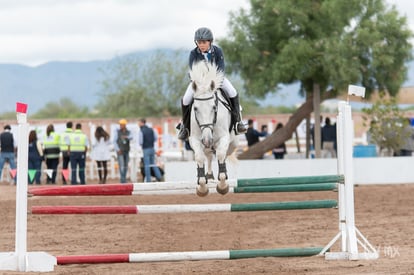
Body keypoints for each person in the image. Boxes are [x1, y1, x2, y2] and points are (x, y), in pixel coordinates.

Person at [177, 27, 247, 140]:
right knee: (185, 99)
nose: (201, 45)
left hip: (217, 80)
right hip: (199, 82)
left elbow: (221, 69)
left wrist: (214, 80)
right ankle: (185, 126)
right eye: (199, 42)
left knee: (232, 92)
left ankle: (238, 122)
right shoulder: (193, 53)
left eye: (204, 42)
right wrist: (199, 80)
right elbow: (192, 69)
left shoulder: (218, 51)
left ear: (210, 41)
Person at [138, 118, 163, 182]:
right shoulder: (151, 129)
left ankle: (148, 180)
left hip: (146, 149)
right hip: (152, 148)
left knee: (147, 165)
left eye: (139, 123)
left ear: (142, 123)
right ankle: (159, 176)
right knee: (153, 164)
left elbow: (140, 141)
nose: (138, 124)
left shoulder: (141, 131)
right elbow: (155, 138)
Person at [114, 119, 133, 183]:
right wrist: (118, 149)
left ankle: (124, 178)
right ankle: (122, 179)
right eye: (120, 124)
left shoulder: (128, 132)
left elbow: (131, 137)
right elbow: (114, 141)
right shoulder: (117, 132)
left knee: (125, 165)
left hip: (126, 150)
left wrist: (126, 137)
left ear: (125, 125)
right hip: (120, 151)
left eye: (122, 124)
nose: (121, 126)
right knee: (121, 166)